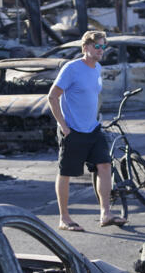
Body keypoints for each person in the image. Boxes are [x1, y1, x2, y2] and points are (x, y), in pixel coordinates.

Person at [48, 30, 126, 231]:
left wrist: (97, 116)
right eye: (96, 46)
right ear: (85, 47)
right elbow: (52, 97)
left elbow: (93, 95)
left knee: (105, 165)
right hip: (72, 130)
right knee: (66, 173)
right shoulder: (71, 68)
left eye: (103, 46)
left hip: (93, 128)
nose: (100, 50)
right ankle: (64, 219)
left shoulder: (97, 68)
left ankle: (105, 213)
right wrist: (63, 126)